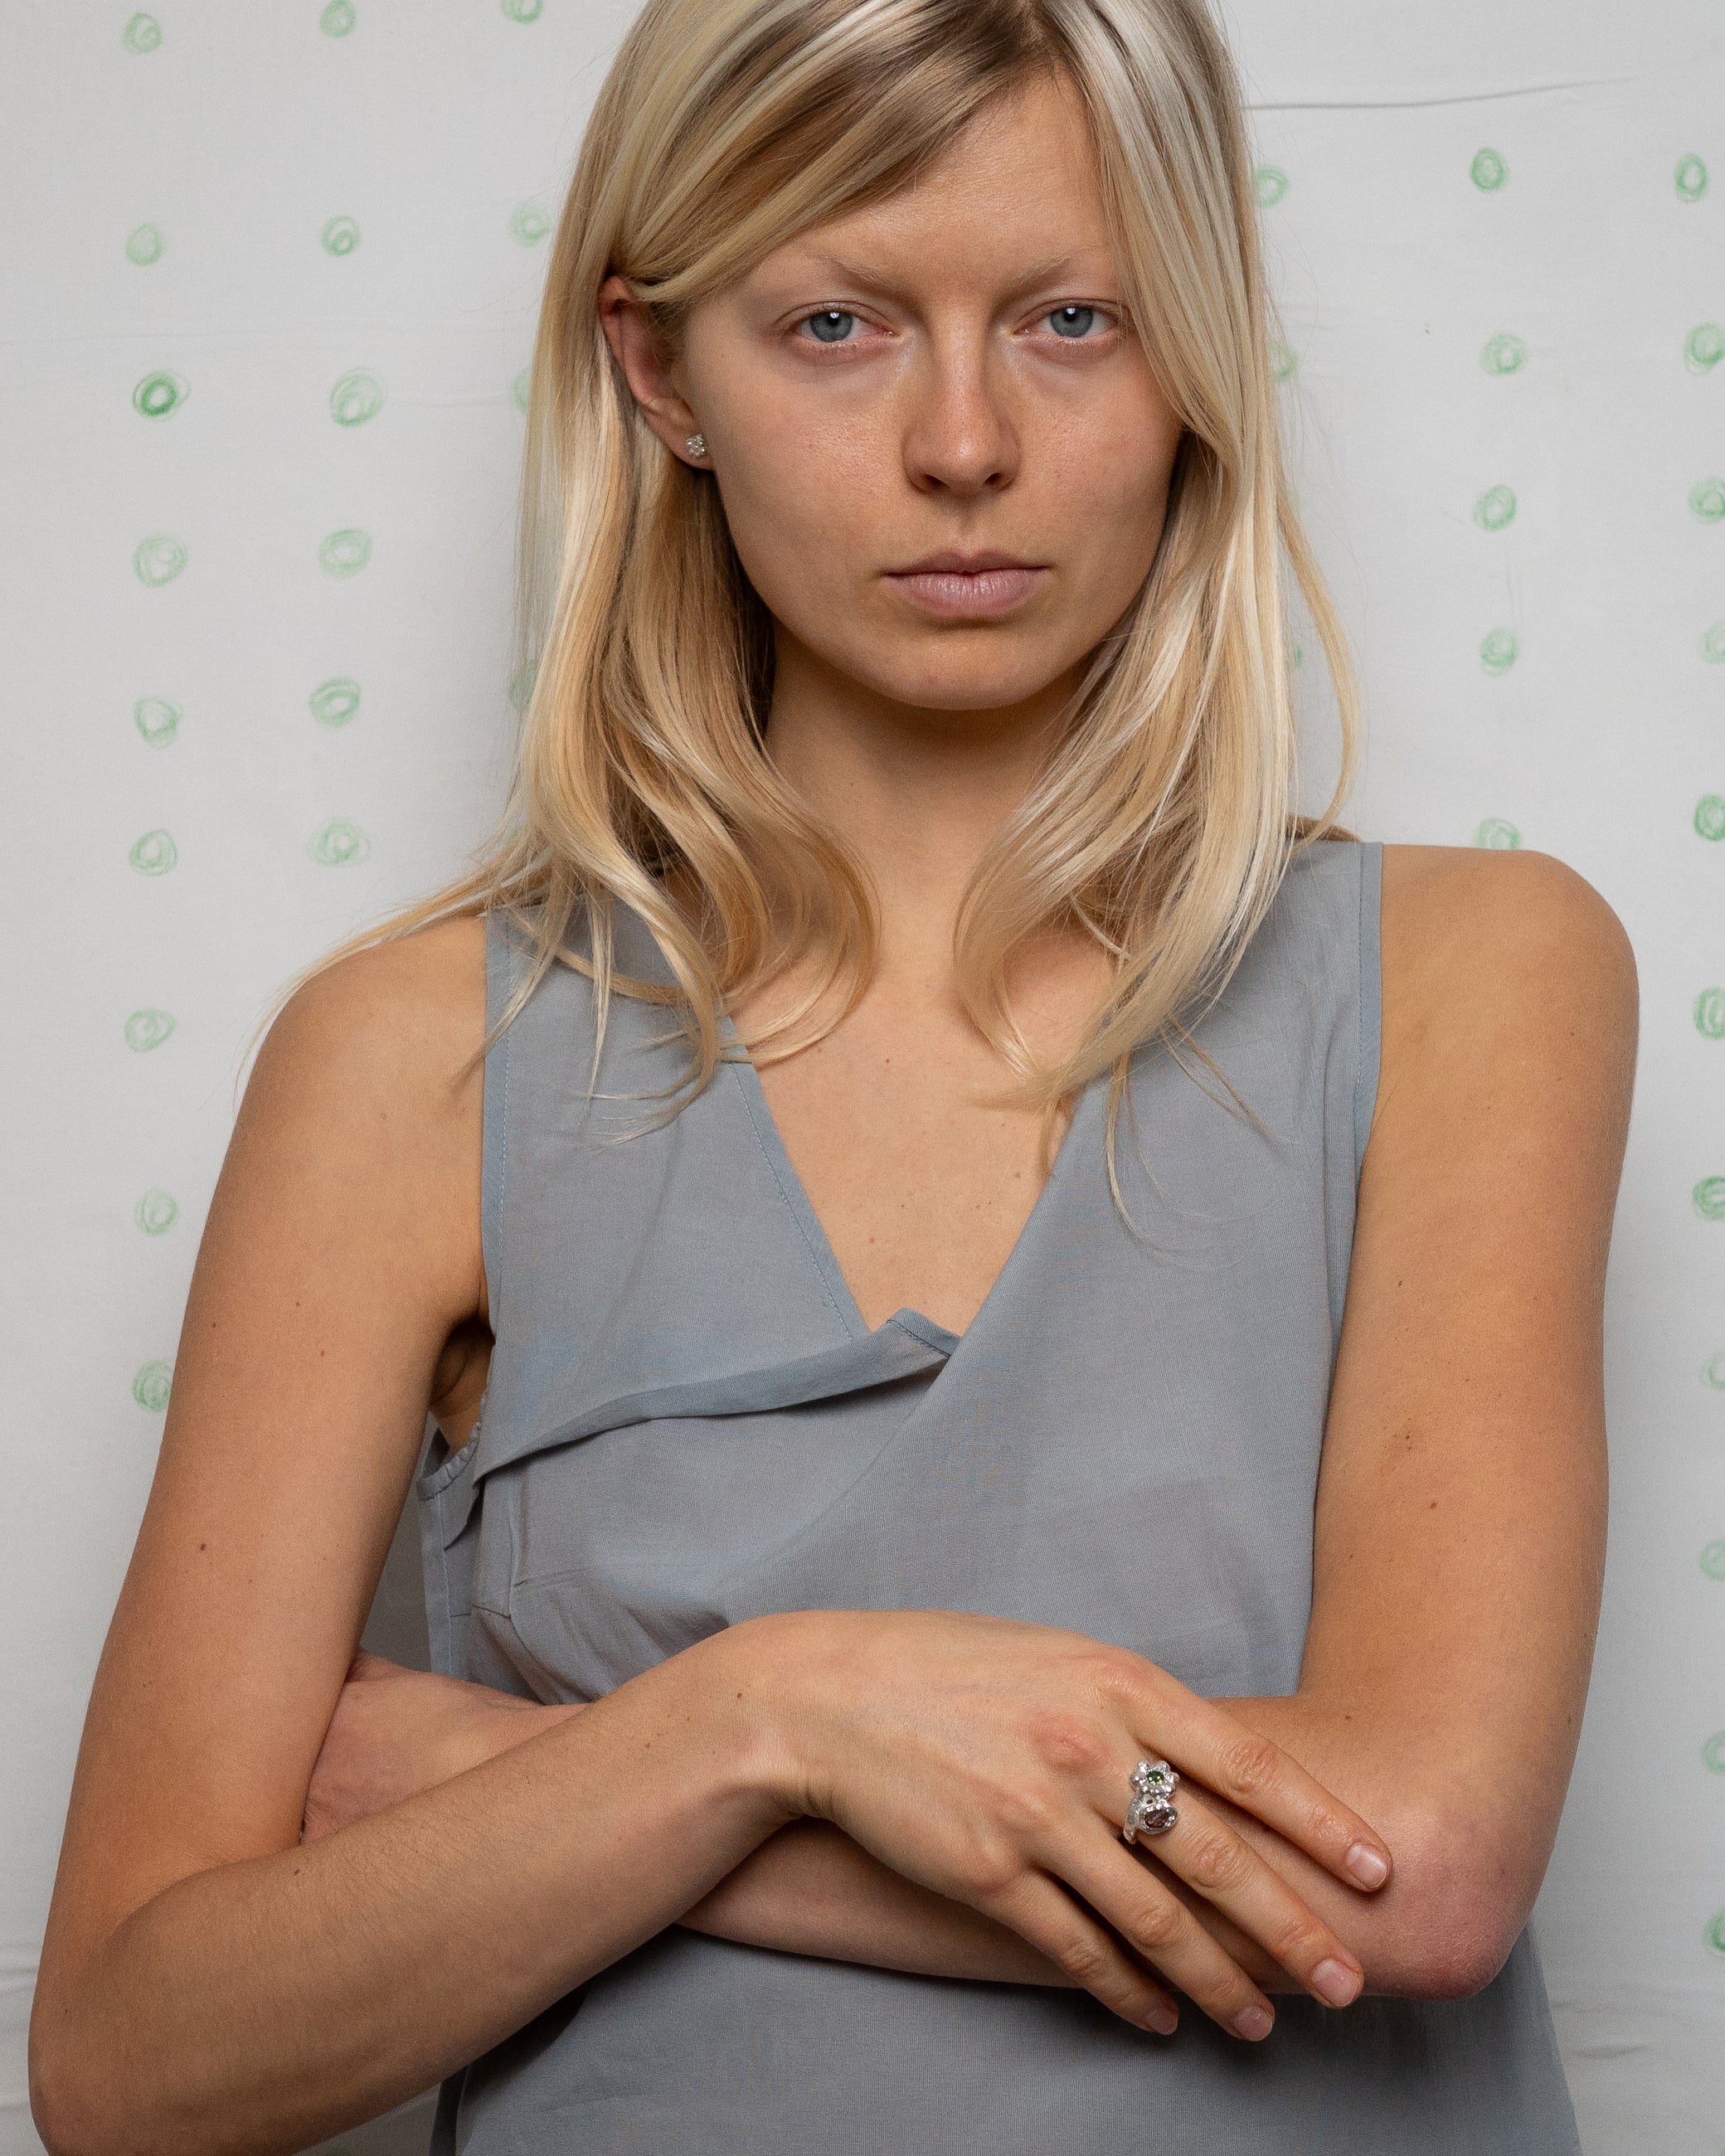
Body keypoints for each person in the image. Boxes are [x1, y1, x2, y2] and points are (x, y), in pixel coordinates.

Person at [30, 1, 1637, 2150]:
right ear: (659, 368)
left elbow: (1412, 1871)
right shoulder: (408, 1064)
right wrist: (767, 1720)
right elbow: (128, 2057)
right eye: (834, 325)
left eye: (1071, 316)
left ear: (1194, 354)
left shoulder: (1468, 977)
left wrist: (534, 1783)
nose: (963, 441)